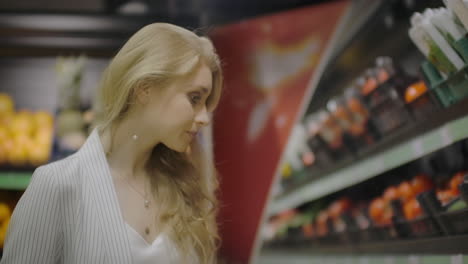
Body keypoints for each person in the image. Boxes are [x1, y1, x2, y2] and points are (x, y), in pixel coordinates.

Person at [1, 23, 223, 264]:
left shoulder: (184, 186)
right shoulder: (58, 186)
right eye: (194, 98)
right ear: (144, 88)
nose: (203, 118)